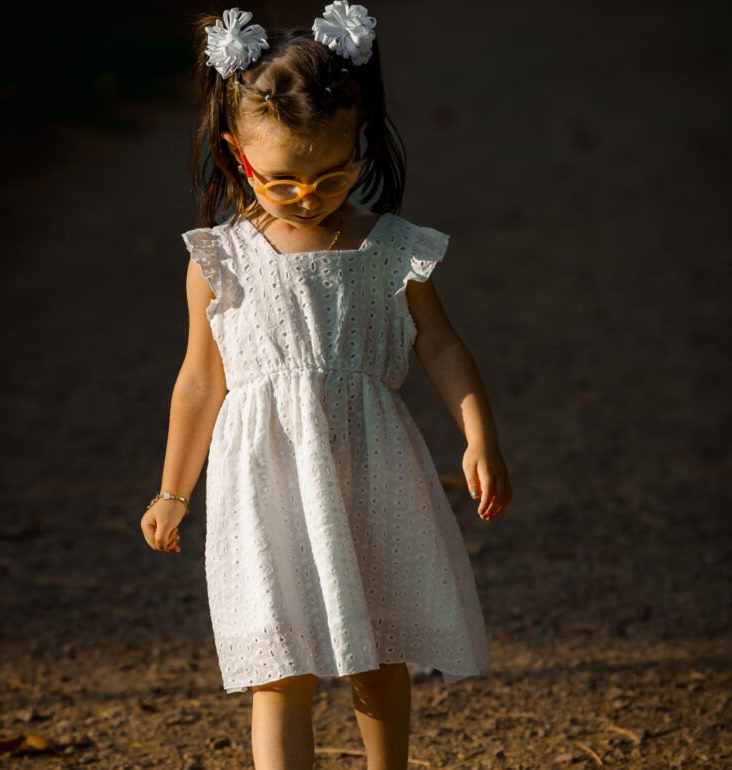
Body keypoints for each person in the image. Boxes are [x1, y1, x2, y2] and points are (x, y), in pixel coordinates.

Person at [140, 3, 513, 768]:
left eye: (331, 174)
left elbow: (441, 345)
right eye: (283, 180)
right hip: (265, 486)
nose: (308, 194)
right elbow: (200, 378)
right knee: (280, 668)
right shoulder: (219, 259)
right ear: (234, 151)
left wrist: (479, 431)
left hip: (371, 477)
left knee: (379, 649)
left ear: (361, 143)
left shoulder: (389, 249)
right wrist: (174, 489)